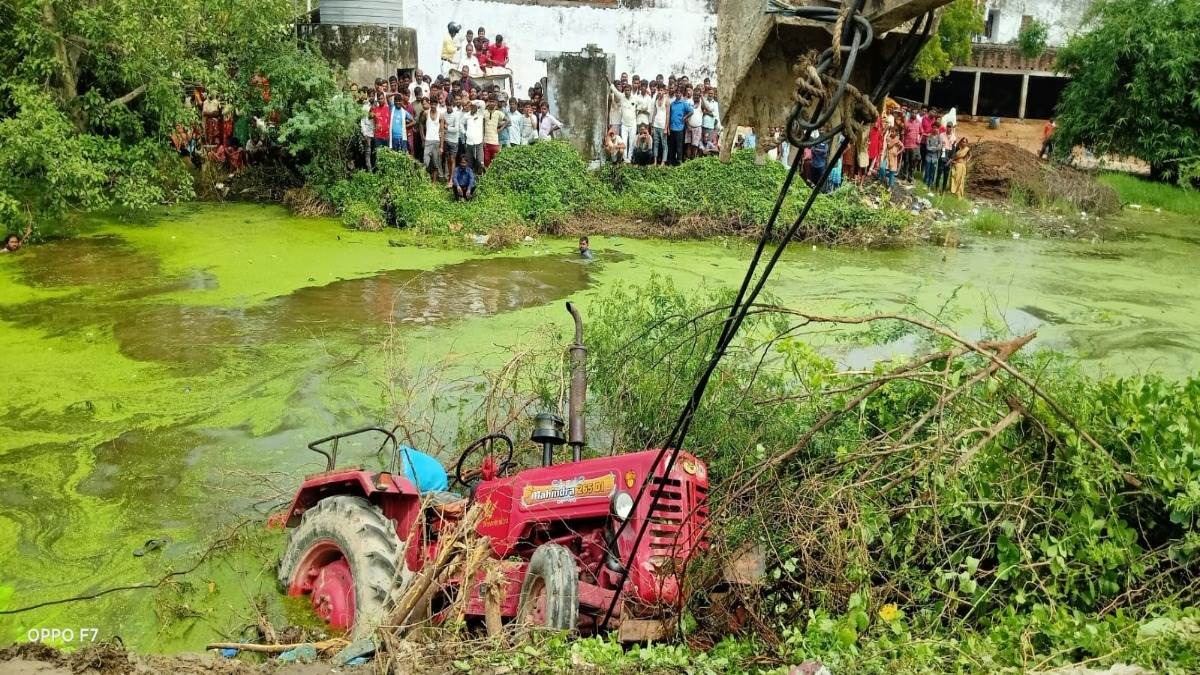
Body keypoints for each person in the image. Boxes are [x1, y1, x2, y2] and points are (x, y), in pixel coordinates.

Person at [667, 87, 693, 166]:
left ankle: (679, 162)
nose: (678, 94)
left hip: (680, 128)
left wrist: (685, 117)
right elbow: (669, 115)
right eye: (676, 93)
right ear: (675, 94)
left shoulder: (684, 104)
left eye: (679, 93)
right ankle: (671, 161)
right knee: (672, 146)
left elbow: (691, 111)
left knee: (679, 146)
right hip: (672, 128)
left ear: (681, 94)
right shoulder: (672, 104)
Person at [423, 101, 445, 183]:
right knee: (426, 162)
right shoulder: (426, 113)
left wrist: (442, 146)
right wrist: (423, 137)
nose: (433, 106)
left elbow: (442, 131)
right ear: (429, 104)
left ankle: (434, 183)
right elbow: (421, 125)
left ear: (437, 105)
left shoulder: (441, 115)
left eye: (435, 104)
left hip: (436, 141)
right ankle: (426, 180)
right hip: (428, 141)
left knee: (436, 163)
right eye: (432, 104)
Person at [651, 84, 670, 165]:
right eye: (659, 90)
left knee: (664, 144)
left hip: (663, 126)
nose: (660, 92)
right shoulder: (656, 100)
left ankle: (663, 162)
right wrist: (652, 125)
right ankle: (655, 162)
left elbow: (668, 115)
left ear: (664, 91)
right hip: (656, 125)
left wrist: (666, 128)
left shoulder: (667, 100)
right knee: (655, 143)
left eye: (661, 90)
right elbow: (654, 113)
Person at [902, 112, 921, 182]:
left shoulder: (918, 122)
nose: (914, 114)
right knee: (906, 162)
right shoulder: (907, 122)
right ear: (911, 114)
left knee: (912, 162)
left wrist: (919, 139)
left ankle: (910, 177)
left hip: (914, 146)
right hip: (907, 145)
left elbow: (921, 132)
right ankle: (904, 176)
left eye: (916, 113)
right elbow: (903, 134)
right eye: (913, 113)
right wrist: (903, 146)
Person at [686, 88, 704, 160]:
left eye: (698, 95)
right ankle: (688, 161)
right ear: (693, 95)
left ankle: (693, 161)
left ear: (699, 95)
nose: (696, 96)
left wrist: (702, 97)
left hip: (698, 128)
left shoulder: (701, 104)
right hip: (689, 127)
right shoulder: (689, 103)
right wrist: (687, 125)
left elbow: (708, 108)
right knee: (689, 145)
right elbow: (686, 115)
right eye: (695, 95)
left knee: (695, 146)